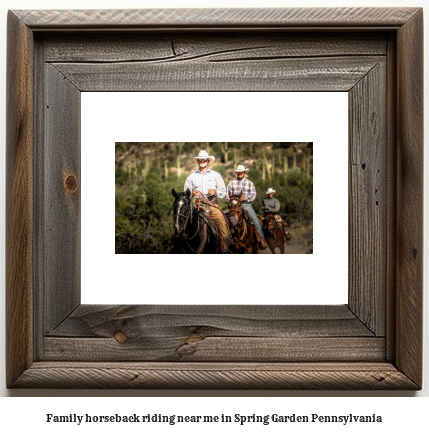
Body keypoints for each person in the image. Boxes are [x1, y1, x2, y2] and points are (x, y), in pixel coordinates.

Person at [183, 150, 234, 253]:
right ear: (197, 161)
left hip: (212, 205)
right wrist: (192, 194)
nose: (202, 161)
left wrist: (215, 192)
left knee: (222, 220)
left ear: (208, 161)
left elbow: (223, 192)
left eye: (204, 159)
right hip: (198, 205)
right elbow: (185, 193)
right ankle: (180, 244)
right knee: (183, 220)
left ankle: (226, 248)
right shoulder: (191, 177)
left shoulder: (216, 175)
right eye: (200, 159)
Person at [226, 164, 267, 245]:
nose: (240, 173)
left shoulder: (250, 183)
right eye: (238, 172)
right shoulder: (231, 183)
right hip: (234, 206)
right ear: (236, 173)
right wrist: (232, 201)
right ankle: (226, 241)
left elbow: (253, 194)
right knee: (225, 220)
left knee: (255, 220)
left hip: (246, 205)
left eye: (241, 172)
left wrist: (246, 198)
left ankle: (261, 239)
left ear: (244, 172)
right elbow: (227, 194)